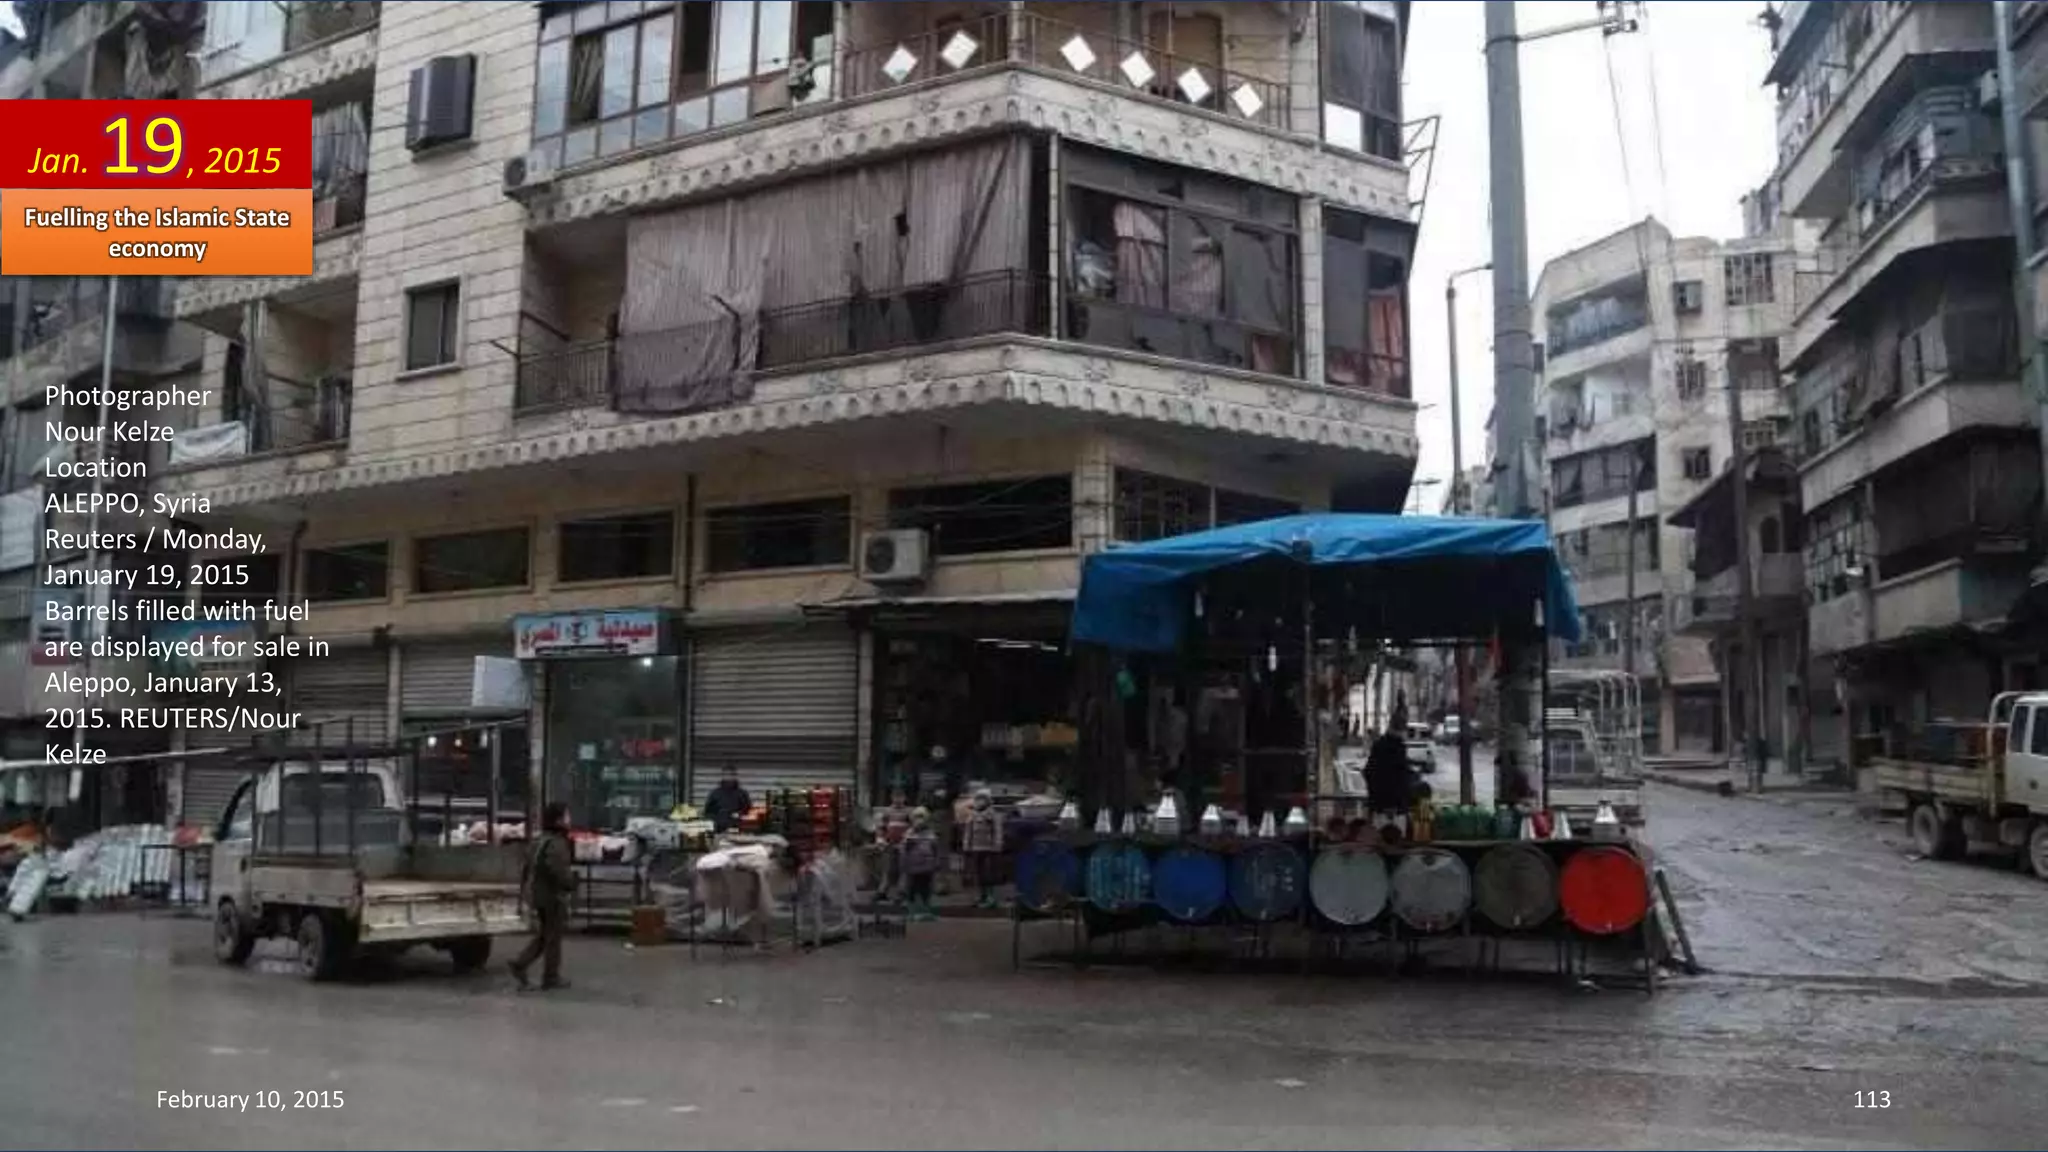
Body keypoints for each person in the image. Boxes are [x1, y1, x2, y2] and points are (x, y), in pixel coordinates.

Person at [509, 801, 574, 991]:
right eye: (567, 815)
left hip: (537, 894)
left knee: (546, 934)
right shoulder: (556, 842)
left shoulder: (539, 840)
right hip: (552, 896)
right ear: (559, 820)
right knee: (553, 937)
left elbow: (527, 866)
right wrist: (570, 884)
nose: (570, 819)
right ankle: (549, 976)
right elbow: (558, 870)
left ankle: (521, 963)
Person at [1365, 707, 1414, 826]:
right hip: (1395, 807)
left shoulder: (1379, 745)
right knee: (1395, 834)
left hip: (1379, 805)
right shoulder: (1398, 749)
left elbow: (1369, 773)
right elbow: (1399, 778)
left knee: (1379, 832)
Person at [961, 789, 1004, 909]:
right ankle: (981, 895)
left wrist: (997, 846)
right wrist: (966, 846)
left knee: (988, 874)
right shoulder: (972, 815)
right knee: (978, 874)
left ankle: (991, 897)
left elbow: (998, 831)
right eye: (978, 799)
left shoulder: (993, 815)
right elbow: (968, 832)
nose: (980, 801)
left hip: (989, 849)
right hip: (975, 848)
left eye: (983, 799)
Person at [899, 808, 941, 922]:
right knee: (911, 891)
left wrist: (936, 863)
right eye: (917, 817)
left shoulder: (931, 834)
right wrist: (903, 865)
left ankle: (926, 912)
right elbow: (903, 850)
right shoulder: (908, 834)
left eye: (922, 817)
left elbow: (936, 850)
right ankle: (912, 913)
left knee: (926, 890)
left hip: (927, 868)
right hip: (912, 868)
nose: (919, 820)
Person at [703, 766, 752, 834]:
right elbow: (708, 812)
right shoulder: (715, 794)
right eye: (726, 775)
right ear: (722, 776)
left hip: (737, 830)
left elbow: (748, 811)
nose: (728, 777)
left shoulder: (742, 794)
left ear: (735, 776)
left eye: (731, 775)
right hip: (718, 830)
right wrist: (716, 821)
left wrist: (739, 815)